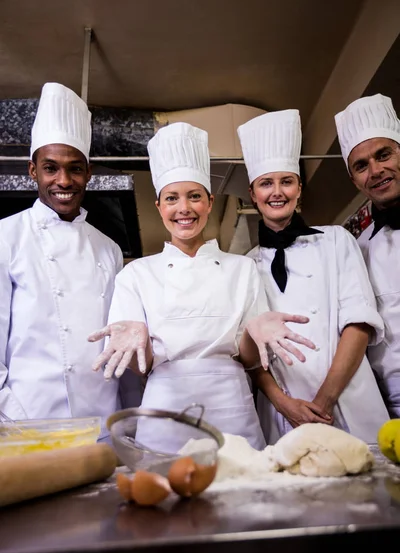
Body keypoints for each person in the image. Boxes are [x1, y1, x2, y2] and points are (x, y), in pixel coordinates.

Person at [89, 122, 316, 452]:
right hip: (164, 406)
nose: (184, 208)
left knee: (240, 492)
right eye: (172, 198)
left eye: (194, 197)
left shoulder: (243, 268)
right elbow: (142, 366)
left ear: (209, 202)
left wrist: (255, 332)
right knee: (164, 492)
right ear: (159, 207)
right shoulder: (135, 274)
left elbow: (249, 358)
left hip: (232, 405)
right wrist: (138, 339)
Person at [237, 109, 389, 444]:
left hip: (347, 397)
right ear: (253, 194)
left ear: (299, 190)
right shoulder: (244, 266)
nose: (277, 192)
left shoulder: (336, 239)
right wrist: (285, 404)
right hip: (285, 410)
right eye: (266, 183)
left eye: (286, 181)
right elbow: (251, 354)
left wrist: (324, 402)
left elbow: (359, 324)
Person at [0, 82, 123, 436]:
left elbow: (117, 342)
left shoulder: (109, 249)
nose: (63, 180)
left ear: (89, 172)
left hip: (101, 417)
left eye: (75, 168)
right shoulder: (7, 238)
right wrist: (13, 415)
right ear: (32, 171)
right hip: (27, 416)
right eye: (50, 168)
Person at [335, 93, 400, 418]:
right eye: (361, 166)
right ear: (354, 180)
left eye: (383, 154)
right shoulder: (356, 250)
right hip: (391, 410)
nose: (376, 170)